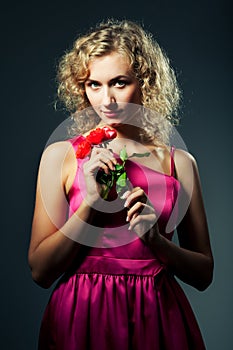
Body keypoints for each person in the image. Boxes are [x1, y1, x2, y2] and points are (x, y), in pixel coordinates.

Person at [28, 19, 214, 350]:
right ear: (80, 87)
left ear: (146, 82)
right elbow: (40, 271)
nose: (107, 99)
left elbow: (203, 274)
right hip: (80, 315)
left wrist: (157, 243)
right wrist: (90, 204)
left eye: (119, 82)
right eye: (93, 84)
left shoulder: (180, 164)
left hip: (157, 315)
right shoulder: (61, 156)